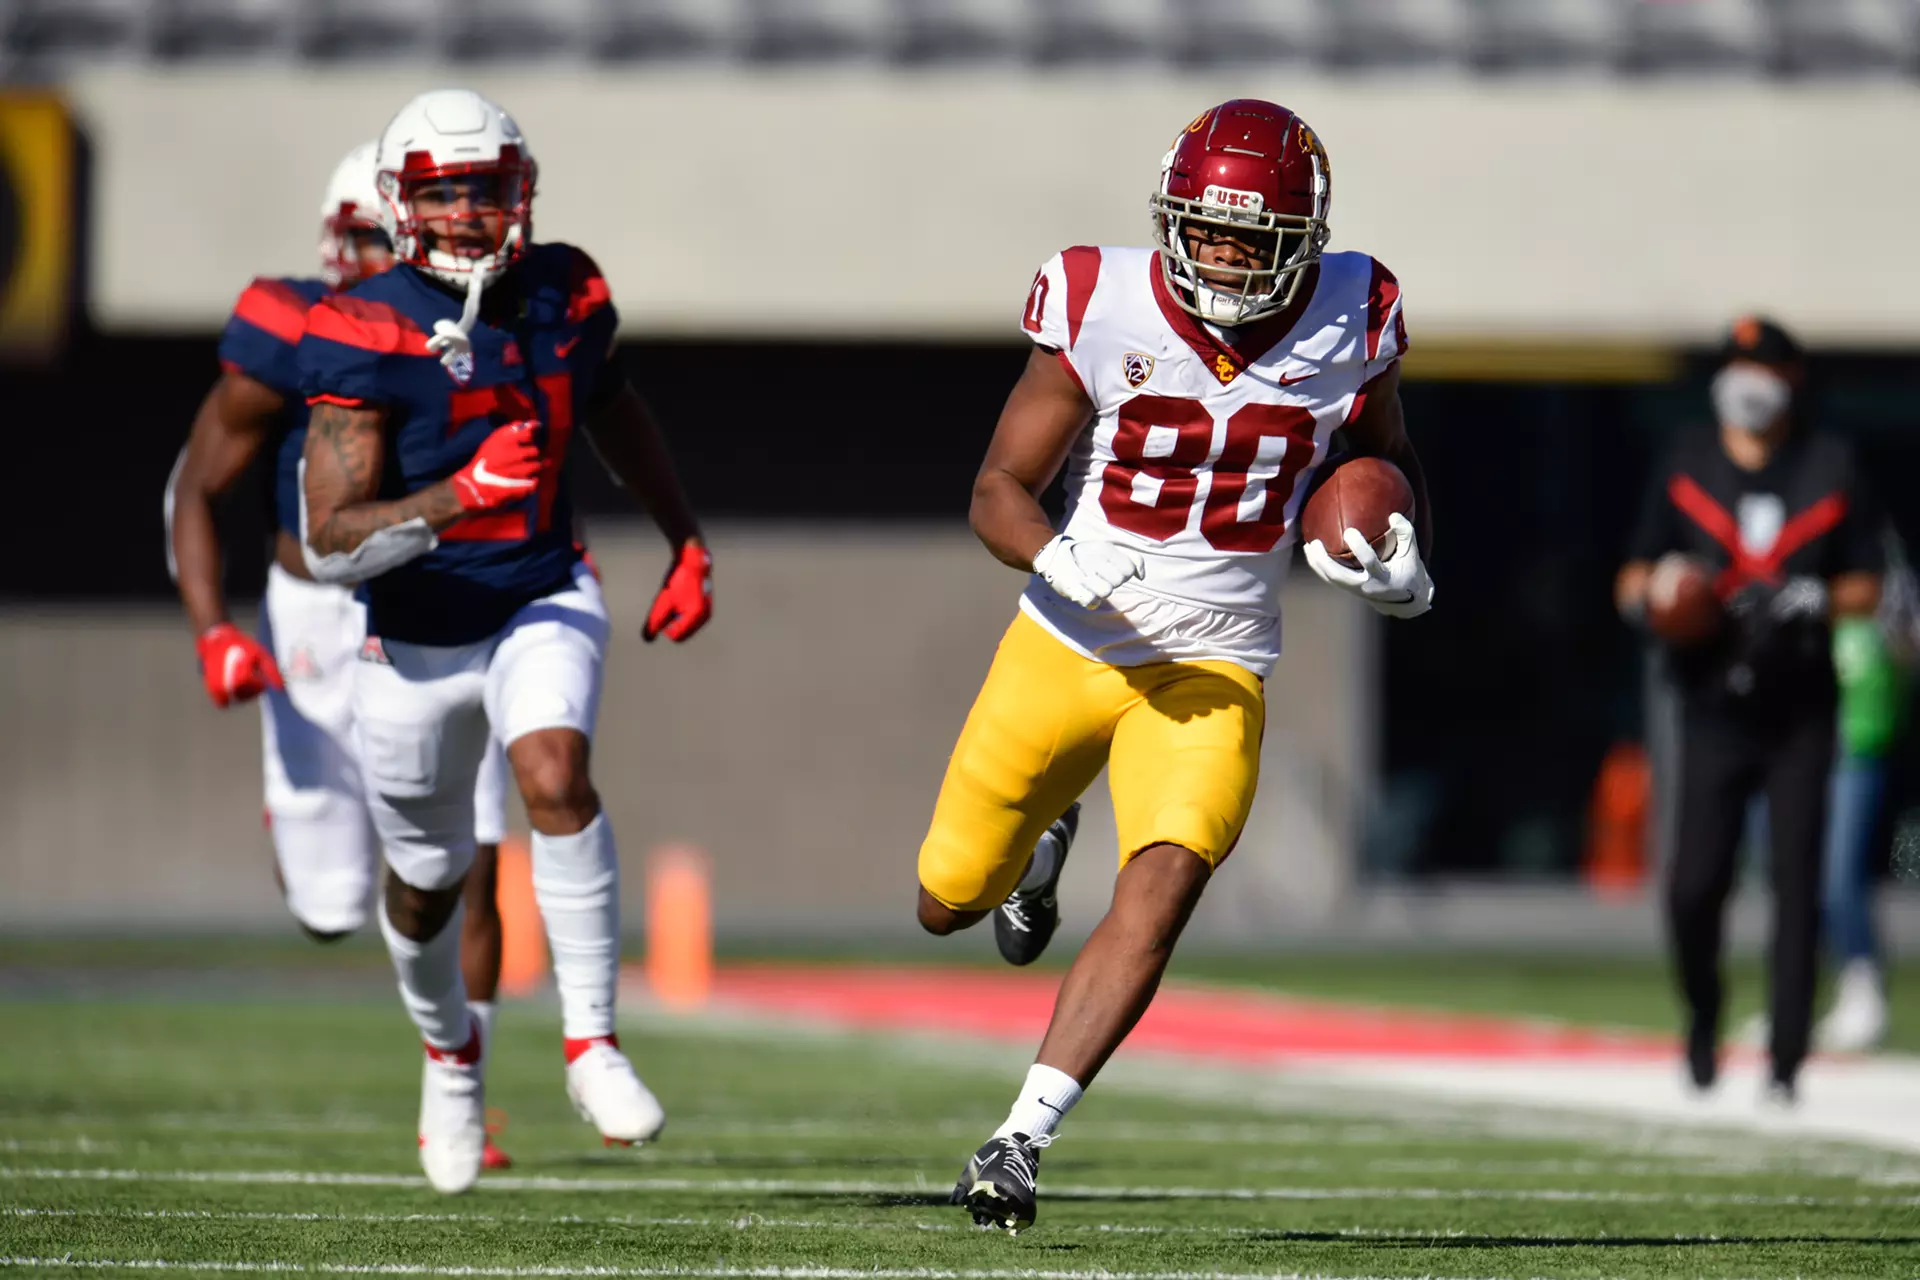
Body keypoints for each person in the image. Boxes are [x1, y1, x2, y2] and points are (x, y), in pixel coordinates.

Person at [918, 99, 1433, 1233]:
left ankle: (1019, 1138)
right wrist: (1065, 559)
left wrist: (1404, 563)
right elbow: (995, 487)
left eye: (1253, 237)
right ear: (1171, 218)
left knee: (1163, 883)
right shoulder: (1098, 298)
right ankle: (1039, 851)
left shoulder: (1357, 309)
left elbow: (1382, 464)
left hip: (1216, 660)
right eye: (1208, 230)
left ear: (1305, 235)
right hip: (1070, 634)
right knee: (944, 900)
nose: (1229, 255)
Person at [297, 89, 711, 1195]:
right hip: (415, 636)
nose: (469, 214)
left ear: (517, 191)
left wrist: (683, 537)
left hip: (542, 590)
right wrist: (456, 494)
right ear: (401, 203)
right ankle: (450, 1060)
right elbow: (329, 540)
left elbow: (614, 405)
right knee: (426, 884)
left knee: (554, 770)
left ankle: (592, 1042)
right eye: (443, 192)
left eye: (483, 190)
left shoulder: (564, 289)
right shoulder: (361, 322)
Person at [165, 141, 515, 1168]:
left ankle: (461, 1093)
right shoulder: (294, 333)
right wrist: (213, 632)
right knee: (328, 906)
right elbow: (194, 486)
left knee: (475, 856)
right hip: (316, 613)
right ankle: (304, 802)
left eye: (394, 235)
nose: (387, 256)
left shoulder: (478, 327)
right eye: (366, 235)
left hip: (448, 608)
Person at [1617, 316, 1884, 1104]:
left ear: (1791, 380)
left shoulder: (1832, 464)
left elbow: (1869, 580)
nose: (1748, 382)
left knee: (1798, 881)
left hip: (1800, 703)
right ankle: (1704, 1013)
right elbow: (1630, 577)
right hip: (1709, 701)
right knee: (1693, 884)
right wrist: (1662, 595)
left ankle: (1787, 1061)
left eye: (1762, 367)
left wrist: (1815, 597)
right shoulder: (1687, 462)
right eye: (1736, 366)